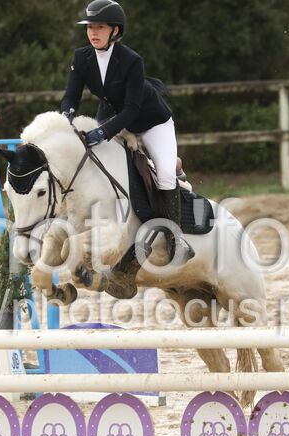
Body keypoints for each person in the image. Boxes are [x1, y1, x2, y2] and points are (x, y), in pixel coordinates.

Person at [60, 0, 194, 264]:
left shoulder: (132, 60)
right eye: (89, 27)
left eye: (100, 27)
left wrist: (103, 133)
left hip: (150, 120)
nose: (93, 32)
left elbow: (132, 109)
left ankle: (175, 240)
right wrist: (66, 117)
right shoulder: (81, 58)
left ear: (115, 31)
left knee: (165, 174)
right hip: (112, 116)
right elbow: (71, 96)